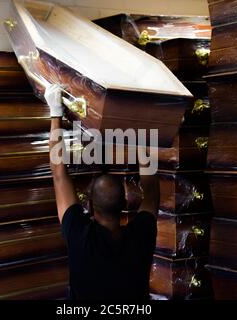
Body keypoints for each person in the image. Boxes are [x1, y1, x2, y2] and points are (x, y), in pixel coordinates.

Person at [45, 84, 159, 300]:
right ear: (125, 203)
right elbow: (152, 190)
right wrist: (139, 131)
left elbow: (58, 173)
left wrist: (55, 112)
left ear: (90, 206)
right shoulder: (139, 237)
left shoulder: (80, 237)